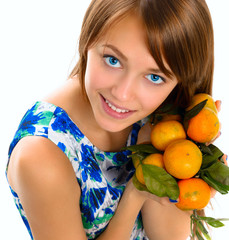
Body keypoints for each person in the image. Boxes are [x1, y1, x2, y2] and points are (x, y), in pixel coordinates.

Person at [6, 0, 216, 239]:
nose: (123, 94)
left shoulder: (162, 115)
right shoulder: (42, 155)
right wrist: (136, 193)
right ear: (87, 40)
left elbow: (168, 236)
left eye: (154, 77)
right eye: (113, 60)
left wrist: (172, 155)